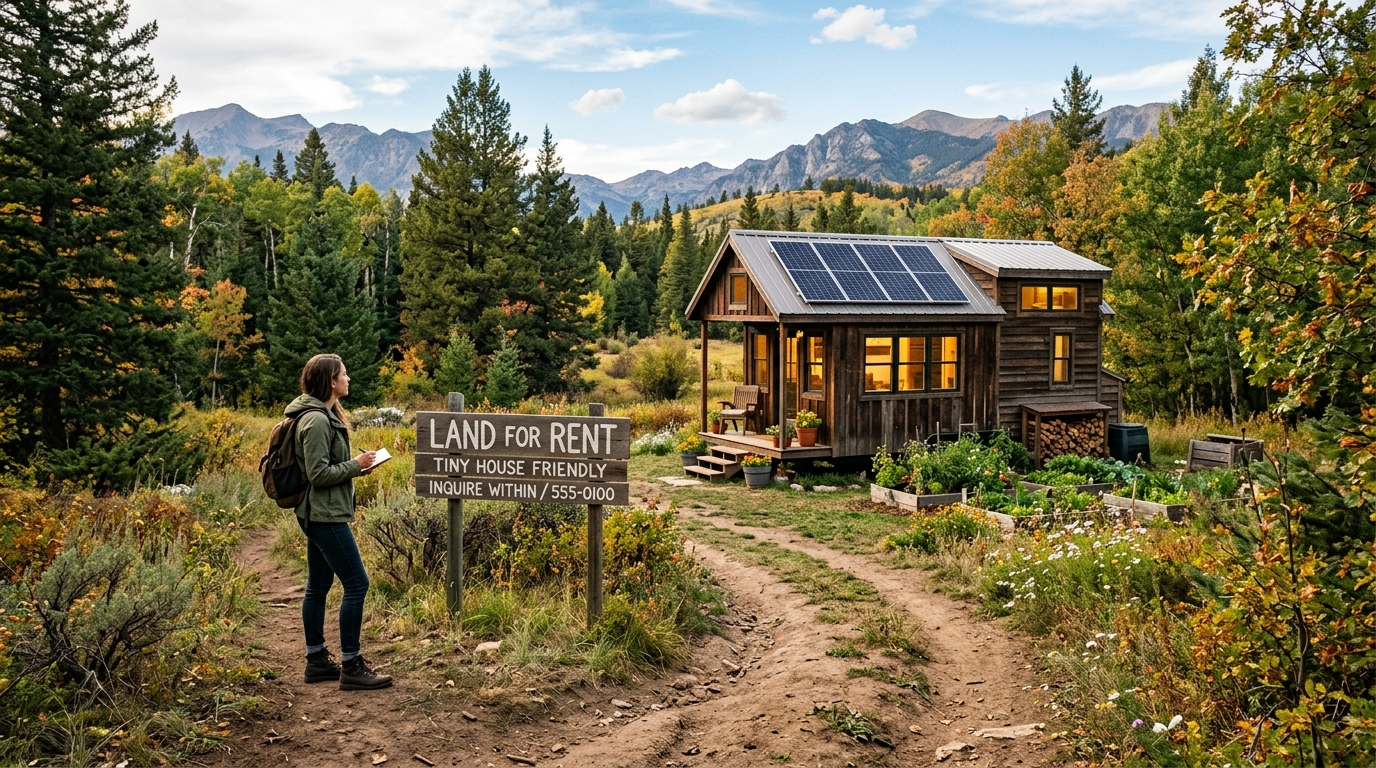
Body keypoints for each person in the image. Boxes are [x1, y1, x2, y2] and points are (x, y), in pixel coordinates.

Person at [284, 353, 392, 691]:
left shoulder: (320, 414)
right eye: (344, 374)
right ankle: (352, 665)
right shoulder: (315, 420)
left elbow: (326, 467)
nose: (348, 379)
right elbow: (318, 474)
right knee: (357, 584)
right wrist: (356, 465)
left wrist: (357, 466)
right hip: (324, 515)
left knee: (318, 585)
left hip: (317, 513)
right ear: (331, 380)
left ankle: (316, 661)